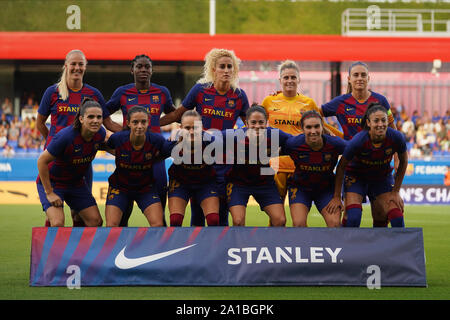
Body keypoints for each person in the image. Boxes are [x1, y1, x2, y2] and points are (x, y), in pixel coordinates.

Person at [160, 48, 250, 226]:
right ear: (213, 69)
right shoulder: (201, 90)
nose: (226, 70)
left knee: (220, 211)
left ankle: (220, 251)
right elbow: (177, 115)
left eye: (229, 66)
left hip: (225, 159)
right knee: (198, 210)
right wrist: (151, 123)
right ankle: (197, 251)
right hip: (200, 157)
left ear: (234, 70)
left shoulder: (239, 95)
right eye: (222, 66)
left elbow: (251, 127)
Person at [36, 49, 120, 227]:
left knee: (80, 216)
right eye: (73, 63)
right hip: (56, 162)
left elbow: (108, 124)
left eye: (80, 64)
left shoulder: (93, 94)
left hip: (81, 165)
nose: (77, 67)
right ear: (66, 66)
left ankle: (79, 253)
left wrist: (132, 134)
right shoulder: (52, 92)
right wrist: (54, 144)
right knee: (55, 218)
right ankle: (50, 250)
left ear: (85, 66)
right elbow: (40, 124)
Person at [321, 61, 398, 227]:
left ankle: (379, 252)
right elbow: (315, 114)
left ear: (368, 78)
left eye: (363, 75)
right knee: (353, 218)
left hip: (379, 168)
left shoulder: (381, 100)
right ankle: (347, 251)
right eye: (356, 75)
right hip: (353, 168)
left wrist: (397, 158)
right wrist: (330, 133)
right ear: (349, 79)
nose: (360, 78)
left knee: (381, 216)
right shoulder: (341, 102)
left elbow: (393, 130)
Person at [105, 54, 177, 226]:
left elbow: (173, 114)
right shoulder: (122, 92)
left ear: (152, 70)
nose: (143, 70)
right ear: (132, 70)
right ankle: (120, 247)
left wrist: (156, 123)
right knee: (124, 211)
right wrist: (121, 130)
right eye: (139, 67)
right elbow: (103, 114)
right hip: (128, 153)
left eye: (147, 67)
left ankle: (161, 247)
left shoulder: (162, 92)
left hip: (155, 155)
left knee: (159, 209)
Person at [261, 60, 342, 204]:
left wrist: (345, 138)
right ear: (280, 80)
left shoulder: (308, 103)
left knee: (298, 213)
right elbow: (258, 126)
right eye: (286, 77)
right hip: (275, 165)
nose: (290, 80)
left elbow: (322, 127)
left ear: (299, 79)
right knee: (275, 213)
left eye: (293, 77)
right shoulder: (269, 101)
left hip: (299, 165)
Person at [326, 103, 408, 228]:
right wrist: (337, 196)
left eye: (383, 120)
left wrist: (396, 191)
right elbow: (341, 166)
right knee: (353, 217)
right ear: (368, 123)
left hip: (381, 178)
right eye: (376, 121)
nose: (380, 124)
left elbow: (404, 161)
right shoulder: (358, 141)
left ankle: (393, 247)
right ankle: (345, 246)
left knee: (396, 216)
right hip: (357, 176)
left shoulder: (396, 137)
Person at [36, 98, 106, 227]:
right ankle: (47, 246)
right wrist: (49, 192)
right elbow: (41, 161)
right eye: (91, 117)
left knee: (96, 221)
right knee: (57, 223)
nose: (95, 120)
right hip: (53, 183)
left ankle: (80, 248)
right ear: (81, 119)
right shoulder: (65, 136)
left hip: (76, 183)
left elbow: (111, 146)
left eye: (99, 117)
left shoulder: (100, 133)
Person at [104, 106, 176, 227]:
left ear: (148, 122)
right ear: (128, 123)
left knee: (158, 225)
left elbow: (166, 152)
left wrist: (178, 138)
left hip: (145, 189)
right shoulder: (118, 138)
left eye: (143, 122)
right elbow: (104, 146)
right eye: (135, 122)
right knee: (111, 226)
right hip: (119, 188)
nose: (139, 126)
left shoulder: (156, 140)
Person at [224, 105, 290, 226]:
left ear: (266, 123)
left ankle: (271, 245)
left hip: (264, 184)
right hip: (239, 184)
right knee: (238, 221)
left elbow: (296, 142)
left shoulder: (275, 135)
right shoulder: (234, 136)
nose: (257, 126)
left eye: (261, 122)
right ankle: (239, 245)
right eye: (253, 122)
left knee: (280, 220)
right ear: (246, 124)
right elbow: (209, 138)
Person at [281, 110, 347, 227]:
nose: (313, 131)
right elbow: (270, 151)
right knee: (298, 224)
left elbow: (355, 151)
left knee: (335, 224)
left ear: (322, 127)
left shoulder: (335, 144)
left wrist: (337, 196)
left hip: (326, 189)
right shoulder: (293, 144)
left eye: (317, 126)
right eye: (308, 127)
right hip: (300, 188)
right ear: (302, 128)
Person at [167, 110, 219, 227]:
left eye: (195, 128)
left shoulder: (212, 142)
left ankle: (211, 245)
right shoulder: (172, 143)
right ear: (180, 128)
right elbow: (155, 156)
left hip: (205, 184)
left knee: (213, 220)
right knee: (175, 220)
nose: (191, 131)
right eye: (187, 128)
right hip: (181, 184)